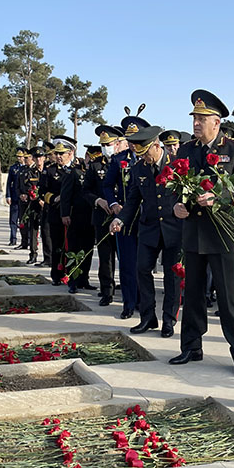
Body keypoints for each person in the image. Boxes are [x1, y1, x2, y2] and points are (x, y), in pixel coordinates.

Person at [169, 89, 234, 376]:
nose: (196, 123)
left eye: (202, 118)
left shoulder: (233, 150)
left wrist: (219, 196)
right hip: (193, 232)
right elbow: (173, 186)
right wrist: (177, 207)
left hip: (222, 234)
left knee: (229, 298)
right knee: (192, 294)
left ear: (216, 122)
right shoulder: (186, 150)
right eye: (194, 117)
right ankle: (191, 347)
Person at [111, 126, 182, 337]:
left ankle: (169, 319)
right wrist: (121, 219)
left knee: (172, 276)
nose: (145, 159)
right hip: (149, 228)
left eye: (146, 153)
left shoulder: (177, 166)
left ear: (157, 145)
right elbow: (133, 200)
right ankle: (147, 317)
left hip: (173, 229)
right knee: (142, 269)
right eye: (139, 155)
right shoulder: (139, 168)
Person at [103, 116, 148, 318]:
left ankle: (144, 302)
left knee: (144, 264)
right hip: (125, 218)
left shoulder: (151, 159)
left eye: (136, 138)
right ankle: (129, 303)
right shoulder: (119, 160)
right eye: (130, 139)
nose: (133, 143)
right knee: (128, 263)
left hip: (148, 219)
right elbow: (107, 185)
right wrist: (113, 204)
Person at [84, 126, 124, 305]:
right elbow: (86, 191)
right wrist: (98, 200)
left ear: (117, 143)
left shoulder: (126, 162)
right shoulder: (95, 166)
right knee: (105, 256)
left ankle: (129, 290)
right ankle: (107, 290)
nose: (105, 147)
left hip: (122, 216)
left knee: (125, 256)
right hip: (102, 217)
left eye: (108, 144)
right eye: (102, 144)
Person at [60, 144, 96, 294]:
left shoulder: (94, 173)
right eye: (89, 157)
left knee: (87, 250)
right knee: (74, 250)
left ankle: (84, 279)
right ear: (86, 157)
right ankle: (73, 281)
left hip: (90, 217)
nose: (90, 161)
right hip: (75, 217)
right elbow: (65, 195)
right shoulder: (74, 173)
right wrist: (65, 214)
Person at [44, 136, 77, 284]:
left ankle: (73, 276)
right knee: (57, 245)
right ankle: (57, 275)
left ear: (69, 153)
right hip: (56, 213)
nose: (58, 157)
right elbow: (42, 192)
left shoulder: (78, 169)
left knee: (73, 246)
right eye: (56, 154)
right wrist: (54, 198)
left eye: (61, 154)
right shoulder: (50, 171)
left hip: (74, 213)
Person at [19, 147, 45, 265]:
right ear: (34, 159)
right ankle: (33, 254)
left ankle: (48, 257)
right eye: (36, 157)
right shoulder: (30, 172)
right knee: (33, 230)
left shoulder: (49, 170)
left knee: (46, 232)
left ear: (44, 158)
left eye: (40, 157)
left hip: (47, 205)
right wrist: (37, 198)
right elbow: (29, 187)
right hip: (34, 204)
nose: (39, 159)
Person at [6, 147, 26, 246]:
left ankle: (25, 240)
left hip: (23, 198)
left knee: (23, 221)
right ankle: (13, 239)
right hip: (14, 198)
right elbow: (9, 183)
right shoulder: (13, 168)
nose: (19, 158)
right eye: (18, 157)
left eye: (21, 157)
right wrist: (8, 195)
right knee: (13, 220)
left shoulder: (27, 168)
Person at [16, 149, 34, 250]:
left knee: (31, 223)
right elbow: (17, 185)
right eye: (25, 158)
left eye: (27, 158)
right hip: (22, 200)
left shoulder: (34, 170)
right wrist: (20, 195)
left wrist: (28, 195)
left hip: (31, 200)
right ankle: (23, 242)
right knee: (22, 222)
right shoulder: (22, 170)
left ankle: (31, 243)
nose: (25, 159)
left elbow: (34, 186)